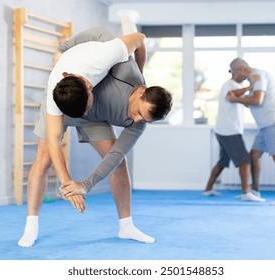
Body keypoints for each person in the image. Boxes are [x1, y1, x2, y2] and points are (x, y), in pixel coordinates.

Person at [18, 13, 173, 247]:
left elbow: (115, 154)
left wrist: (85, 185)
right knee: (43, 158)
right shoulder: (66, 87)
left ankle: (126, 227)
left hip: (94, 116)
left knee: (120, 165)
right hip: (66, 102)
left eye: (144, 118)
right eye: (139, 113)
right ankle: (31, 226)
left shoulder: (139, 117)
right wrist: (67, 184)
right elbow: (53, 140)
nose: (138, 119)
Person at [227, 57, 275, 206]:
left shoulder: (257, 75)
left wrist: (237, 99)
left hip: (273, 122)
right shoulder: (253, 80)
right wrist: (243, 97)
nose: (234, 77)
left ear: (240, 70)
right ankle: (255, 191)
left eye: (233, 73)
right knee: (254, 155)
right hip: (265, 125)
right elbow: (254, 102)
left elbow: (257, 100)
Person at [203, 73, 265, 202]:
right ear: (237, 71)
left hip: (225, 130)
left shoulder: (238, 86)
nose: (247, 74)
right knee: (245, 161)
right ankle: (246, 193)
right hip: (229, 131)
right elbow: (232, 94)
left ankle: (208, 189)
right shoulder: (228, 84)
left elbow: (243, 100)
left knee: (222, 161)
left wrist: (250, 92)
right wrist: (252, 86)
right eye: (244, 70)